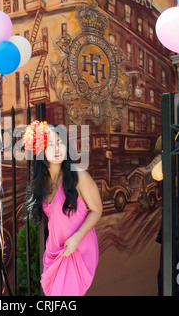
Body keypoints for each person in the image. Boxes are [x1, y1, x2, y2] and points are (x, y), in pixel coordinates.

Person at [23, 121, 102, 296]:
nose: (57, 148)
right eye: (50, 144)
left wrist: (76, 239)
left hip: (77, 248)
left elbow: (97, 210)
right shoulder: (41, 183)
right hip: (55, 250)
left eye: (60, 142)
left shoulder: (78, 175)